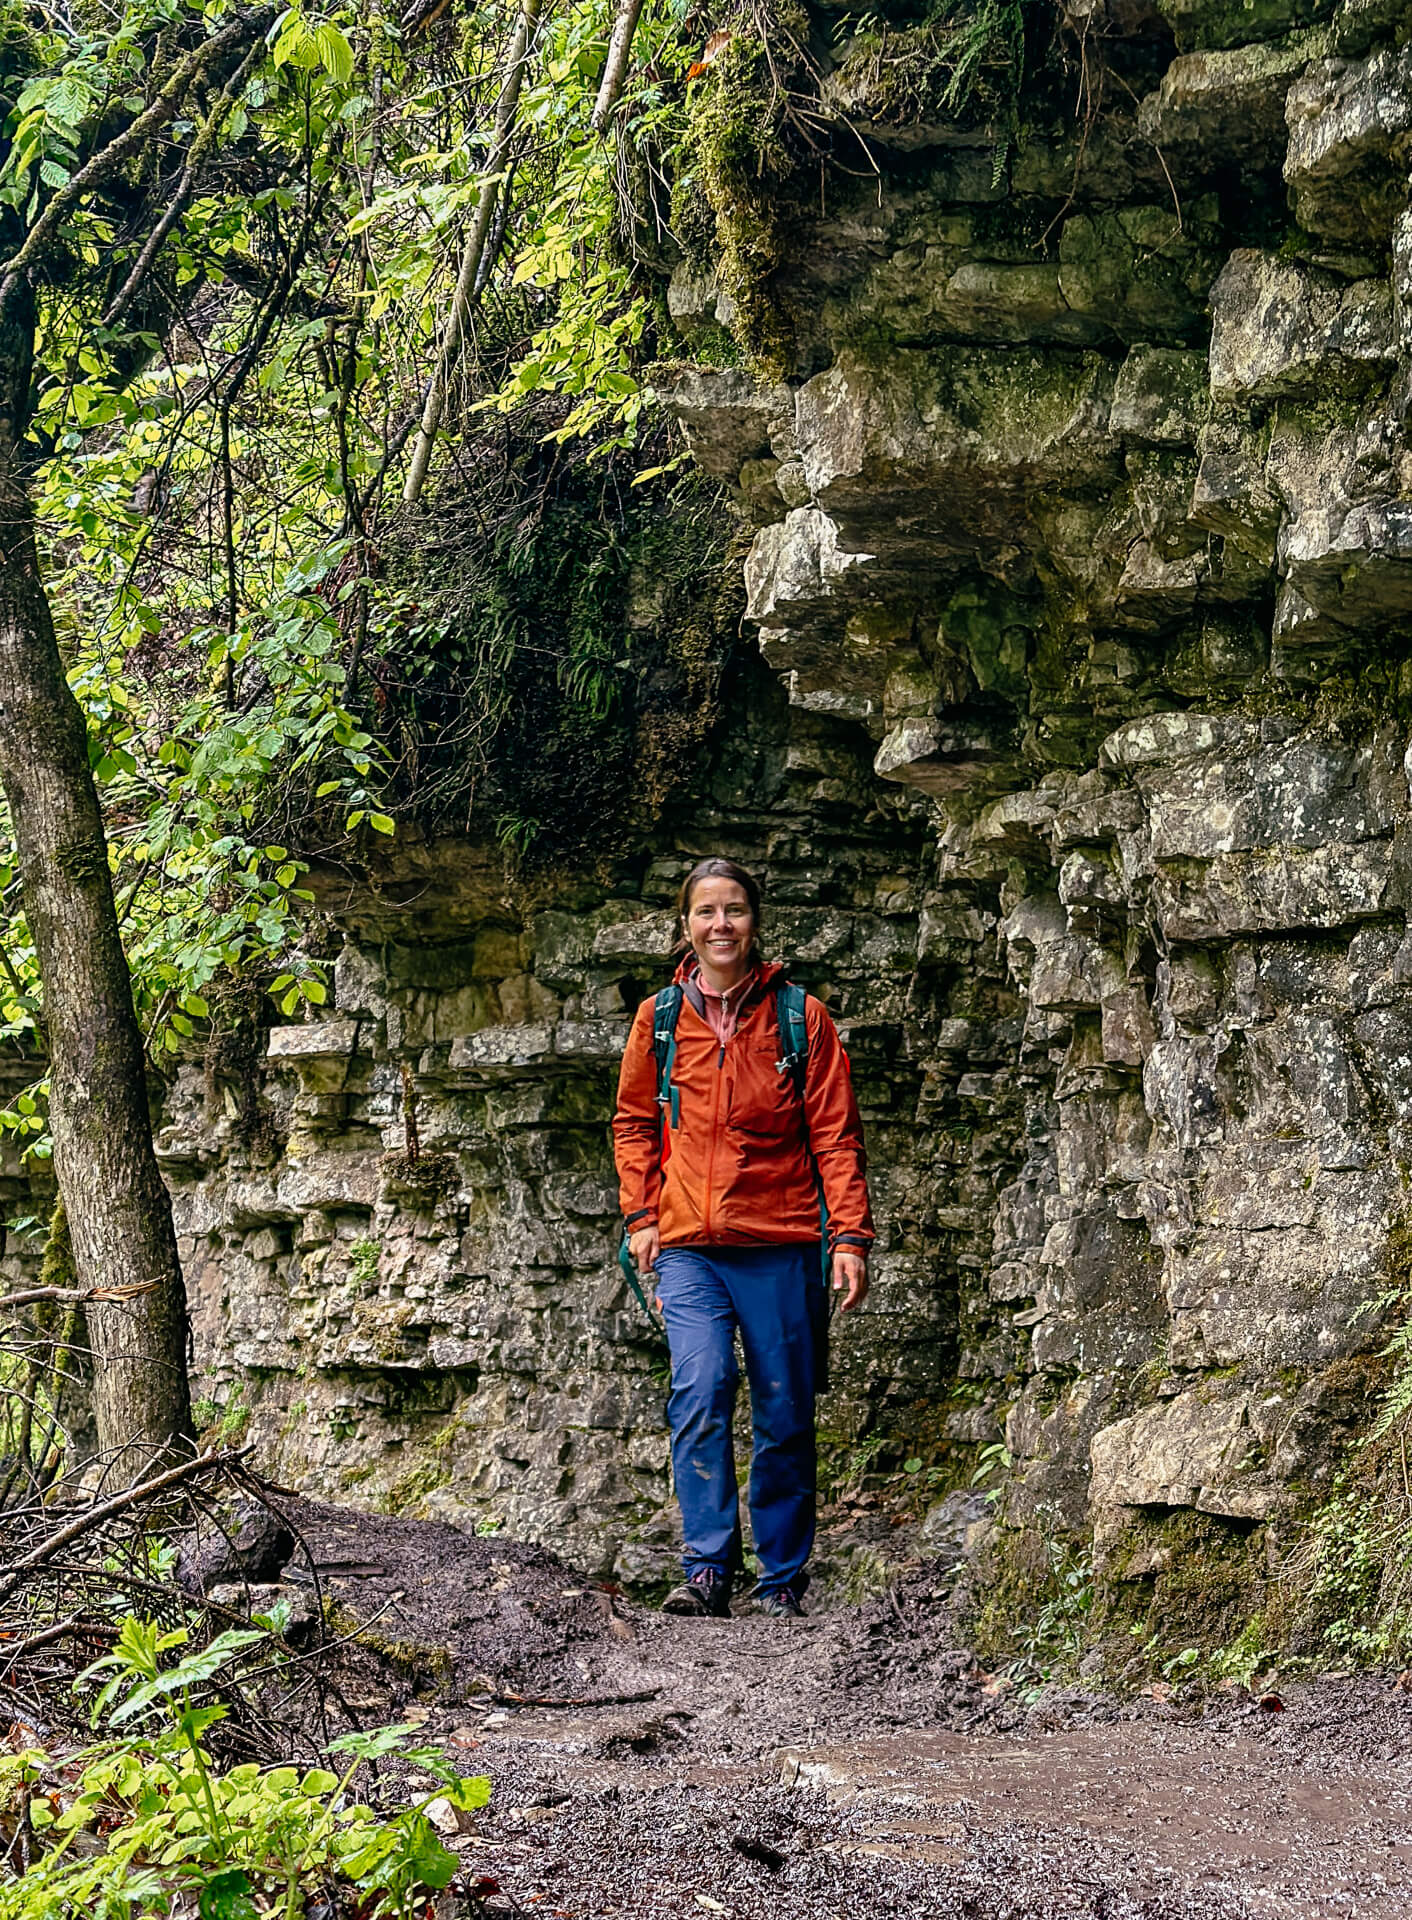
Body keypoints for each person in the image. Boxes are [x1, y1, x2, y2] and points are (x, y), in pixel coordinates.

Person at [612, 857, 874, 1619]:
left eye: (734, 910)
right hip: (689, 1246)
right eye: (705, 912)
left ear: (755, 921)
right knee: (701, 1388)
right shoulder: (659, 1019)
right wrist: (642, 1218)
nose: (720, 925)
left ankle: (782, 1577)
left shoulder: (802, 1017)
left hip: (782, 1241)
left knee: (785, 1408)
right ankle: (706, 1569)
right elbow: (632, 1124)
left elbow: (836, 1135)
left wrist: (849, 1236)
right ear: (685, 924)